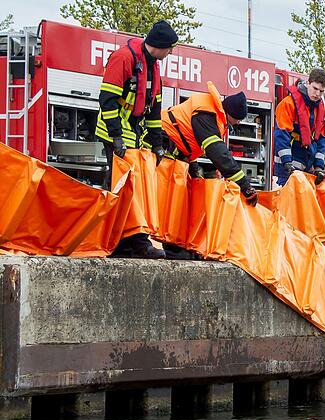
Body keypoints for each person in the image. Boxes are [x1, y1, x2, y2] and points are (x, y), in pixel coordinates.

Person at [96, 20, 178, 259]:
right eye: (170, 48)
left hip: (131, 136)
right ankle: (138, 245)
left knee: (126, 191)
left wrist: (158, 145)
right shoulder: (123, 58)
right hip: (116, 135)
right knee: (130, 190)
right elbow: (107, 100)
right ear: (160, 46)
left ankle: (122, 244)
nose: (171, 52)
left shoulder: (153, 67)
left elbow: (154, 110)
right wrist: (117, 138)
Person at [161, 83, 259, 205]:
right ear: (230, 113)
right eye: (238, 119)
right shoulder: (207, 115)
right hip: (162, 144)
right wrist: (245, 186)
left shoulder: (211, 113)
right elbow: (218, 154)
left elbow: (188, 140)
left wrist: (194, 171)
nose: (238, 123)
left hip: (167, 146)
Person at [274, 68, 325, 187]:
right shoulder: (288, 104)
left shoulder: (320, 109)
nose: (317, 94)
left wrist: (319, 166)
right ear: (308, 83)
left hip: (307, 163)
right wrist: (287, 162)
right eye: (315, 88)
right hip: (287, 165)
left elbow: (321, 138)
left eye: (321, 91)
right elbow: (281, 134)